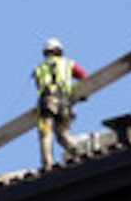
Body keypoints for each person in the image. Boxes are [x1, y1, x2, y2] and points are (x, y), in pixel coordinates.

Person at [31, 39, 90, 169]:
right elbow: (84, 76)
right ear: (60, 51)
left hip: (47, 103)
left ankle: (48, 164)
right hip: (65, 103)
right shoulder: (68, 63)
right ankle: (79, 153)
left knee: (46, 133)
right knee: (62, 134)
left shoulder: (39, 69)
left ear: (46, 53)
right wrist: (82, 93)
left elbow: (38, 86)